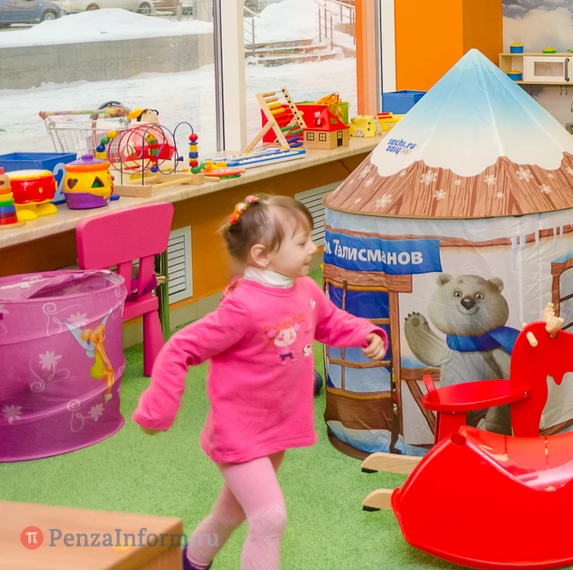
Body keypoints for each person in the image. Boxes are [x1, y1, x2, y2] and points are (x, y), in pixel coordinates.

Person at [135, 195, 386, 570]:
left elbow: (330, 322)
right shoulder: (242, 307)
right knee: (269, 518)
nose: (312, 248)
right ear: (262, 256)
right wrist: (158, 409)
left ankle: (189, 561)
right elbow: (180, 347)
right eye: (301, 242)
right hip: (238, 433)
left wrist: (365, 333)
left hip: (276, 429)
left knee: (229, 512)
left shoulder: (305, 289)